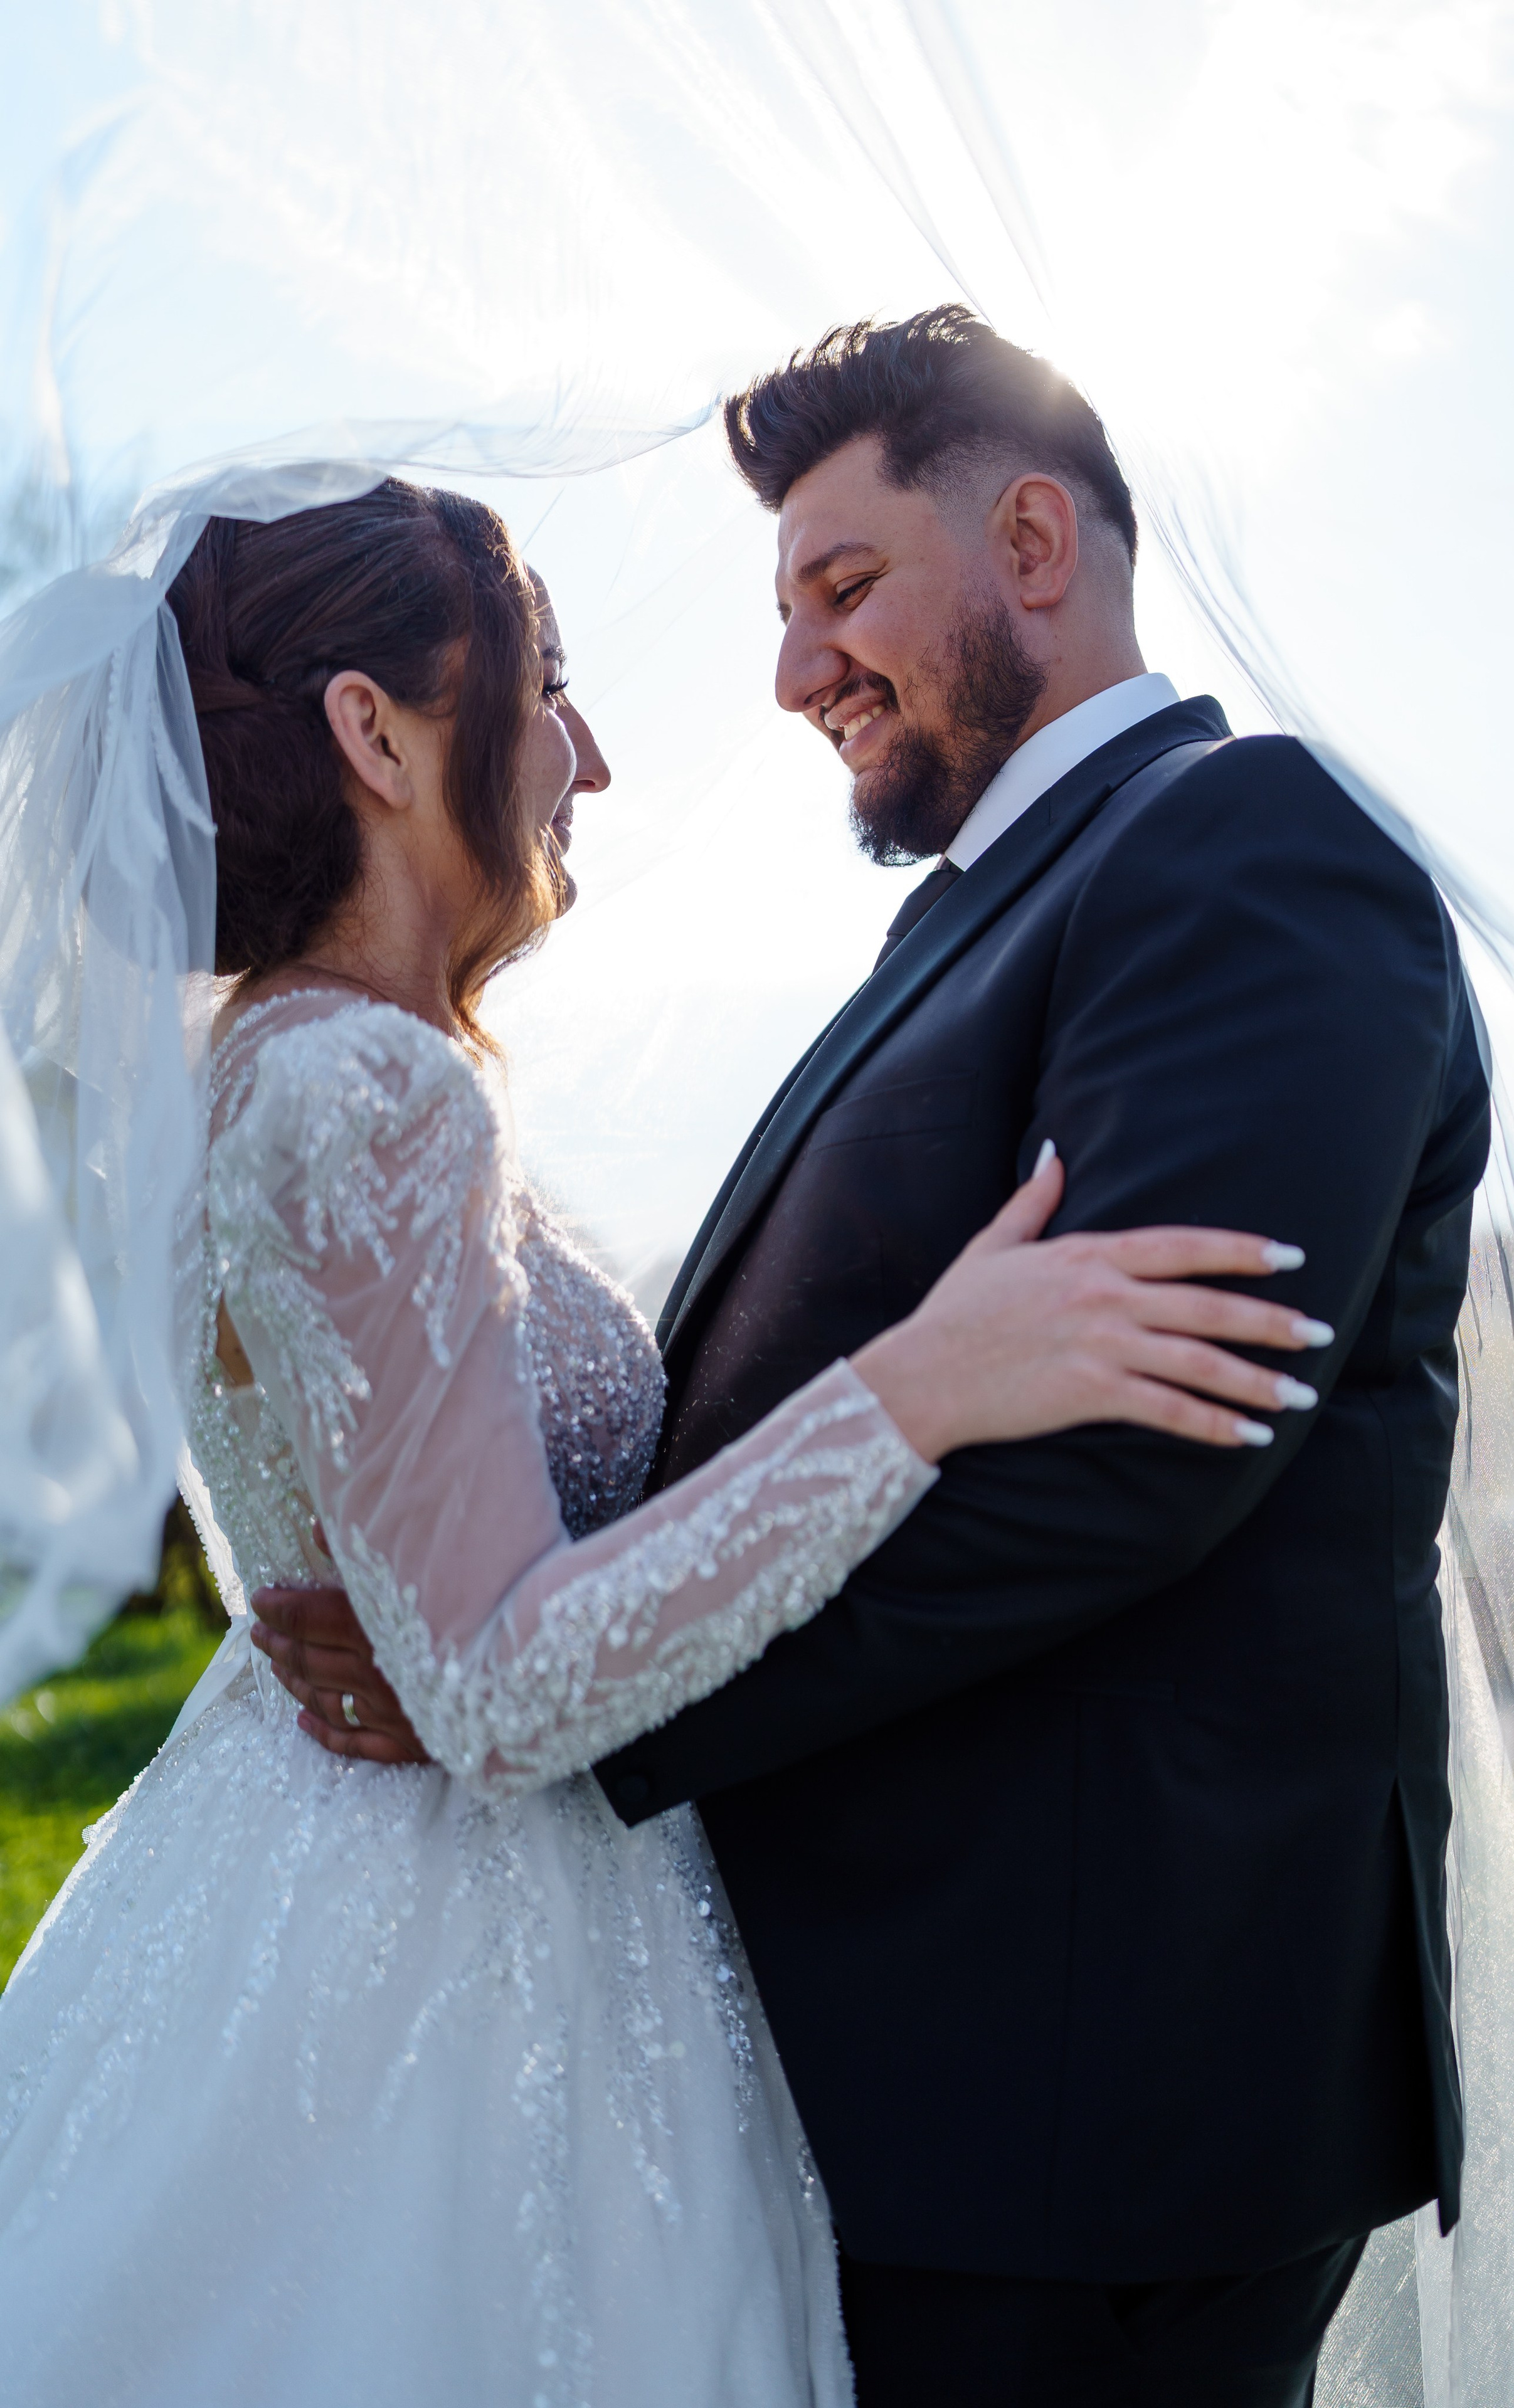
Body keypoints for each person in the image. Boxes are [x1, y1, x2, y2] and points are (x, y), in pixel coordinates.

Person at [262, 312, 1492, 2407]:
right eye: (786, 607)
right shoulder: (969, 918)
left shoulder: (1245, 855)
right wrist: (521, 1619)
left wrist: (576, 1703)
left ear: (1032, 540)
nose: (791, 669)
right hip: (920, 2077)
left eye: (841, 590)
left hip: (1089, 2095)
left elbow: (1129, 1454)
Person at [0, 473, 1324, 2406]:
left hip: (307, 1886)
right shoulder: (371, 1092)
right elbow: (500, 1690)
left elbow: (440, 1589)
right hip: (445, 1990)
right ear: (374, 734)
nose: (592, 758)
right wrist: (931, 1380)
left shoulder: (279, 1065)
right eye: (545, 686)